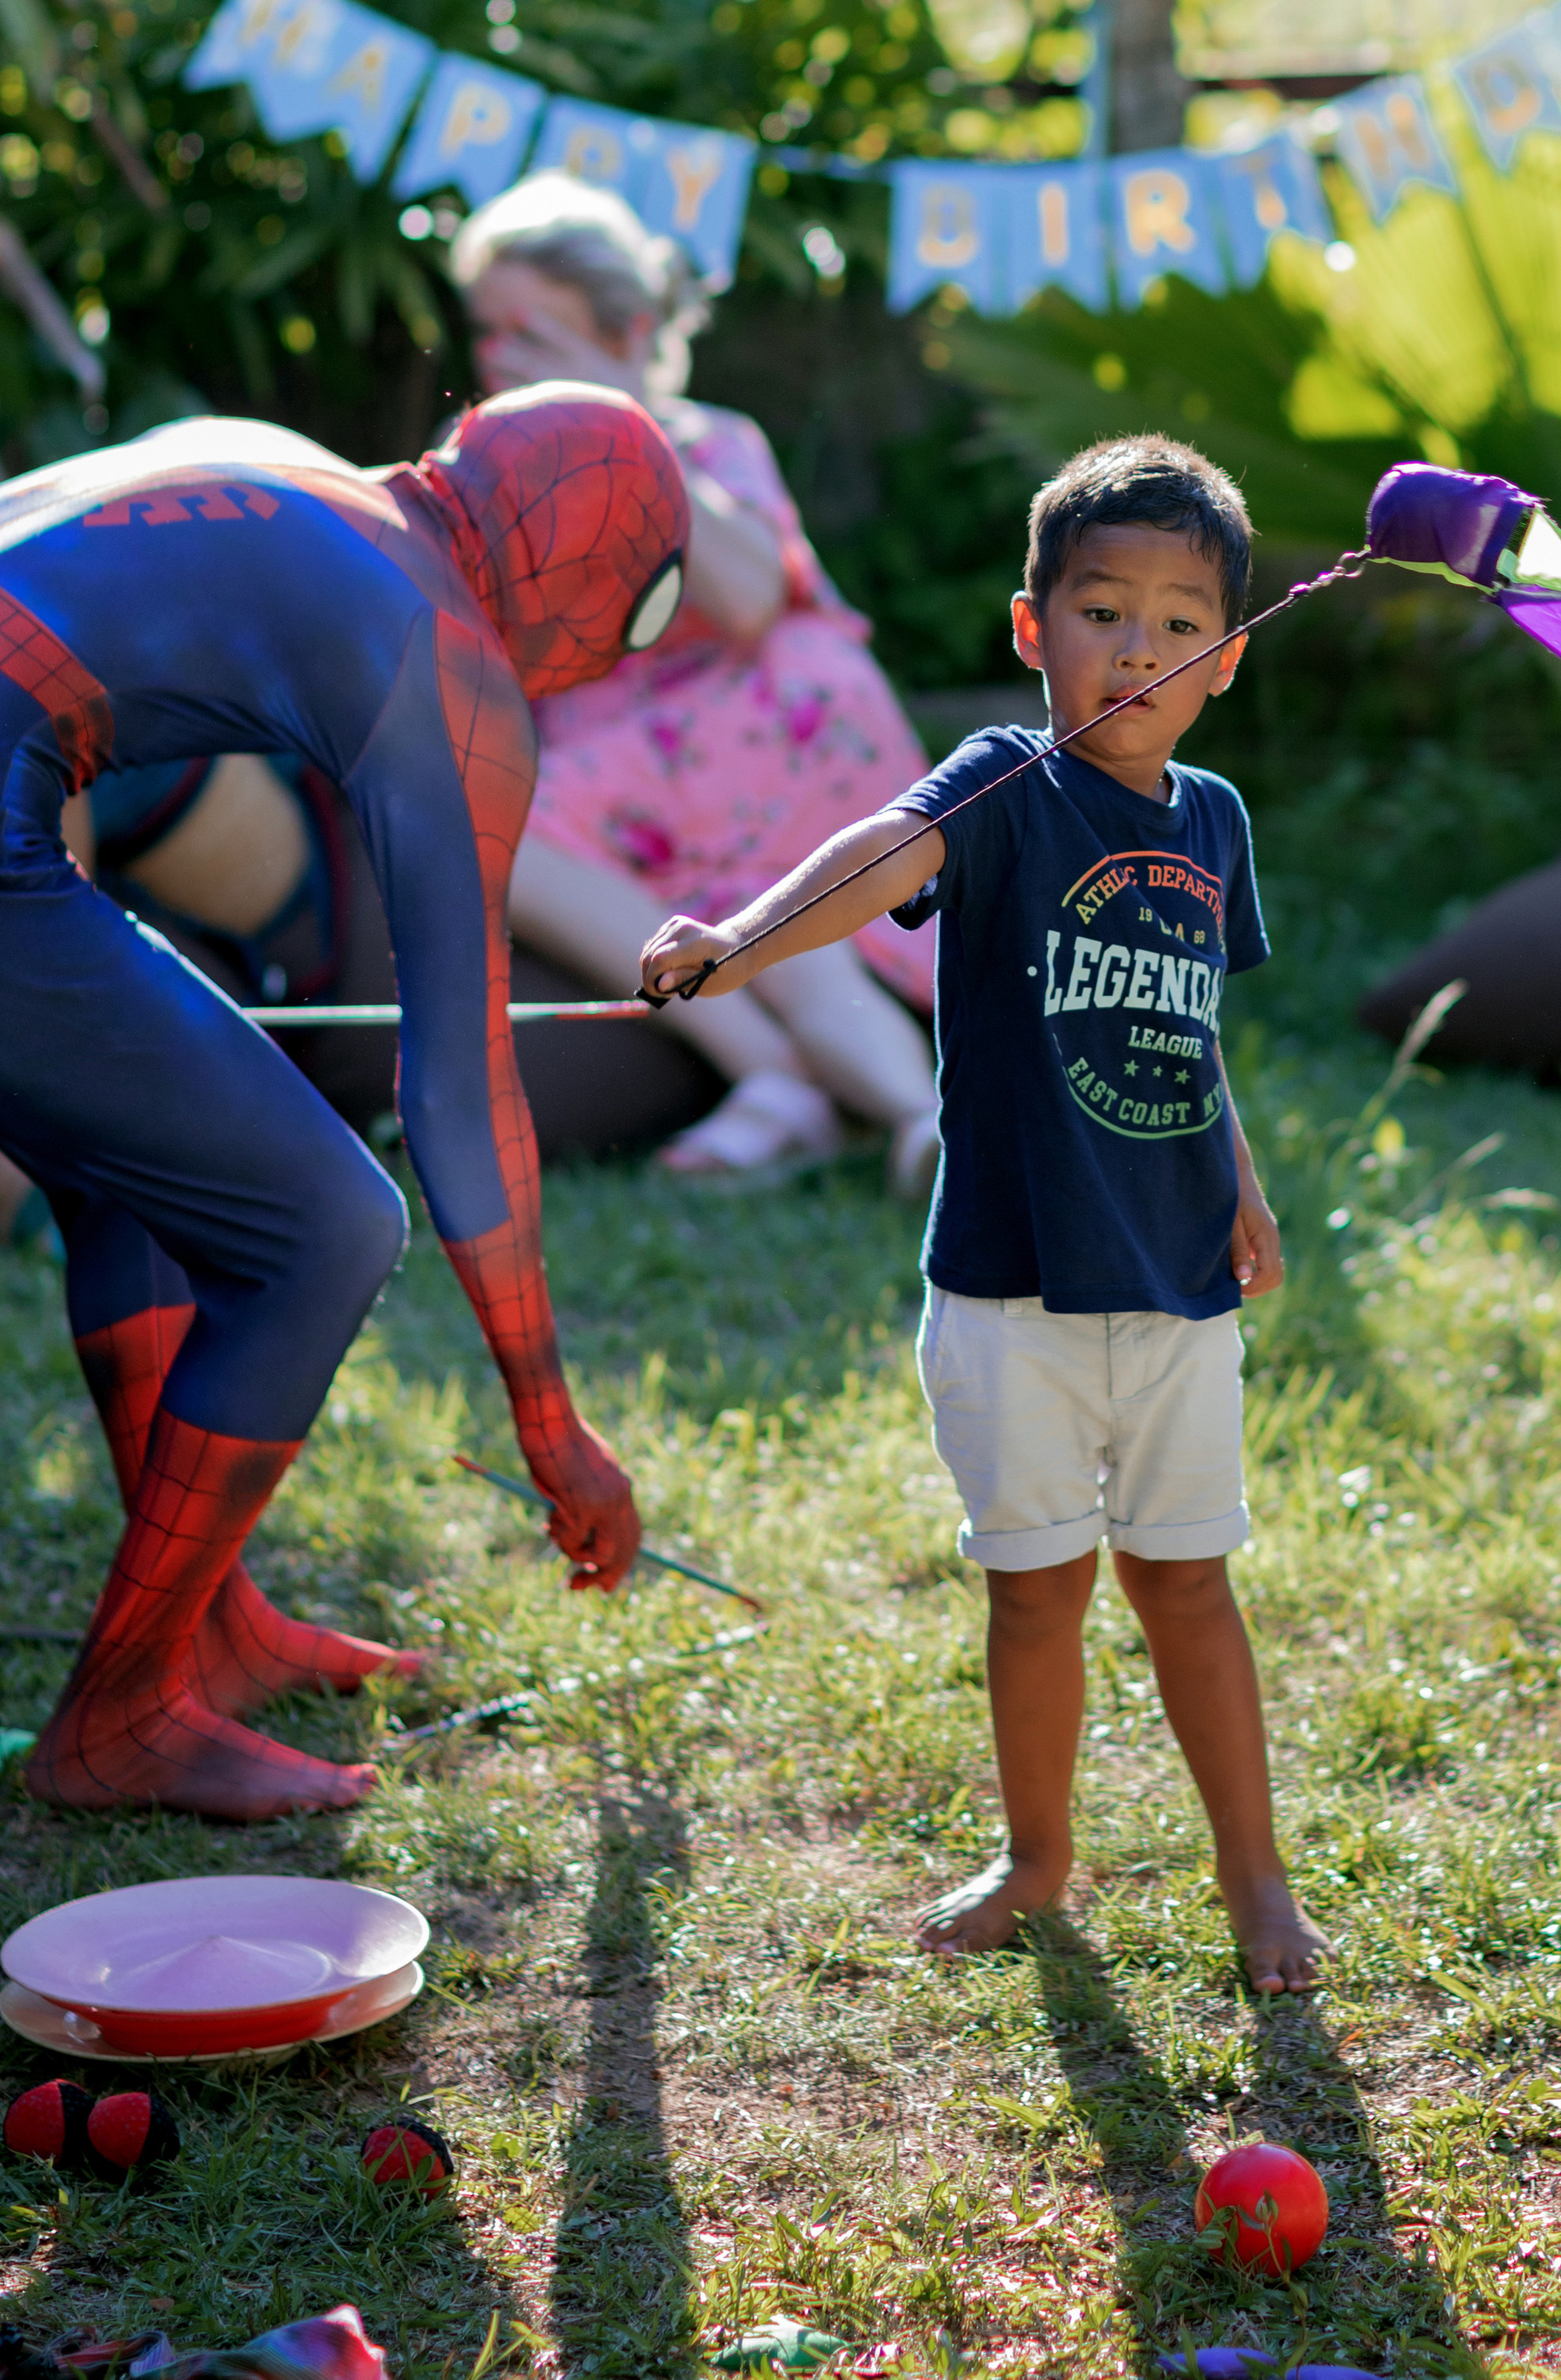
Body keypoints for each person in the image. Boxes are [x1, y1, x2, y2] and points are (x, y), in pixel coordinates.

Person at [642, 434, 1329, 1994]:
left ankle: (1255, 1878)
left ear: (1224, 659)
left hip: (1175, 1292)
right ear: (1034, 630)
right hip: (1011, 1296)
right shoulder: (1006, 787)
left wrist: (1243, 1185)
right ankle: (1036, 1860)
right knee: (1038, 1596)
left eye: (1177, 621)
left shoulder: (1213, 821)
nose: (1137, 647)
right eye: (1102, 610)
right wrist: (740, 941)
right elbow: (880, 856)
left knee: (1189, 1586)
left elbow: (1187, 1029)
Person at [0, 386, 689, 1818]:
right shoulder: (447, 650)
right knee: (325, 1227)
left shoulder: (294, 462)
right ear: (588, 587)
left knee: (137, 1164)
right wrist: (552, 1424)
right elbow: (460, 1088)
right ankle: (119, 1720)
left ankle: (216, 1634)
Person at [449, 178, 940, 1194]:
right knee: (518, 839)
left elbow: (750, 596)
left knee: (800, 934)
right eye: (486, 333)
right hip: (623, 771)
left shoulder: (708, 439)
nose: (498, 359)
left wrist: (617, 419)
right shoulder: (495, 469)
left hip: (766, 725)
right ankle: (820, 1090)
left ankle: (873, 1112)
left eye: (529, 331)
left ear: (626, 331)